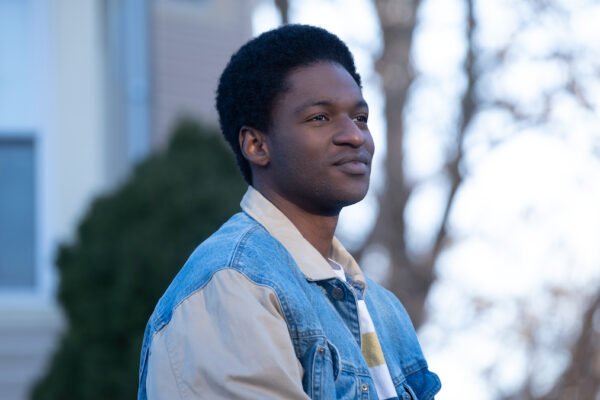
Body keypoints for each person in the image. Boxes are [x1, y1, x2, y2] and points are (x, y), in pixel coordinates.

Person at [138, 24, 441, 400]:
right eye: (320, 117)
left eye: (360, 118)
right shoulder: (233, 285)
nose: (354, 135)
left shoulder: (383, 309)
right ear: (256, 145)